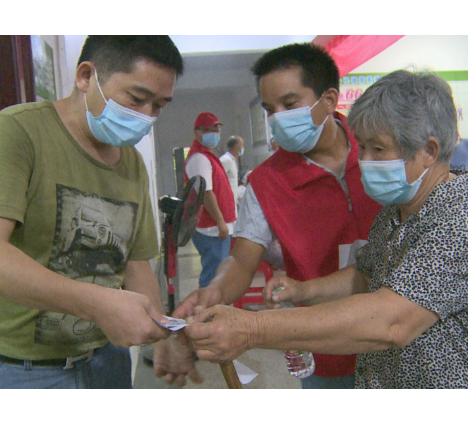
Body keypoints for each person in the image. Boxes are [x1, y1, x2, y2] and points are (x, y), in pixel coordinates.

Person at [185, 69, 468, 390]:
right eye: (362, 147)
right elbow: (365, 274)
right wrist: (304, 290)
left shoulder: (459, 215)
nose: (364, 160)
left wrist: (252, 329)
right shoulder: (397, 210)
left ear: (429, 151)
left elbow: (393, 319)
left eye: (378, 149)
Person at [175, 43, 382, 389]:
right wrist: (216, 290)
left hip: (402, 339)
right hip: (324, 349)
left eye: (290, 104)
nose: (279, 120)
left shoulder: (383, 154)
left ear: (329, 100)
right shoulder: (267, 182)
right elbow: (242, 261)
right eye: (271, 110)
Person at [0, 35, 202, 389]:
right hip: (24, 368)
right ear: (85, 76)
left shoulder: (132, 164)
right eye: (137, 99)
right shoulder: (18, 132)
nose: (146, 116)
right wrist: (97, 304)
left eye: (159, 106)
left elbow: (136, 264)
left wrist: (162, 334)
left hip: (107, 360)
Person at [185, 112, 236, 289]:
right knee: (213, 277)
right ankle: (207, 313)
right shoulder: (199, 158)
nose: (214, 133)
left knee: (218, 275)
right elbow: (205, 193)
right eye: (208, 129)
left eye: (216, 129)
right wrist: (220, 222)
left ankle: (213, 311)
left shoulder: (208, 156)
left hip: (216, 227)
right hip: (212, 228)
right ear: (197, 132)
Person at [220, 135, 245, 206]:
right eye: (242, 145)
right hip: (226, 201)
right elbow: (218, 180)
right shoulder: (226, 160)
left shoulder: (232, 160)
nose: (243, 148)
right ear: (236, 146)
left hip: (232, 201)